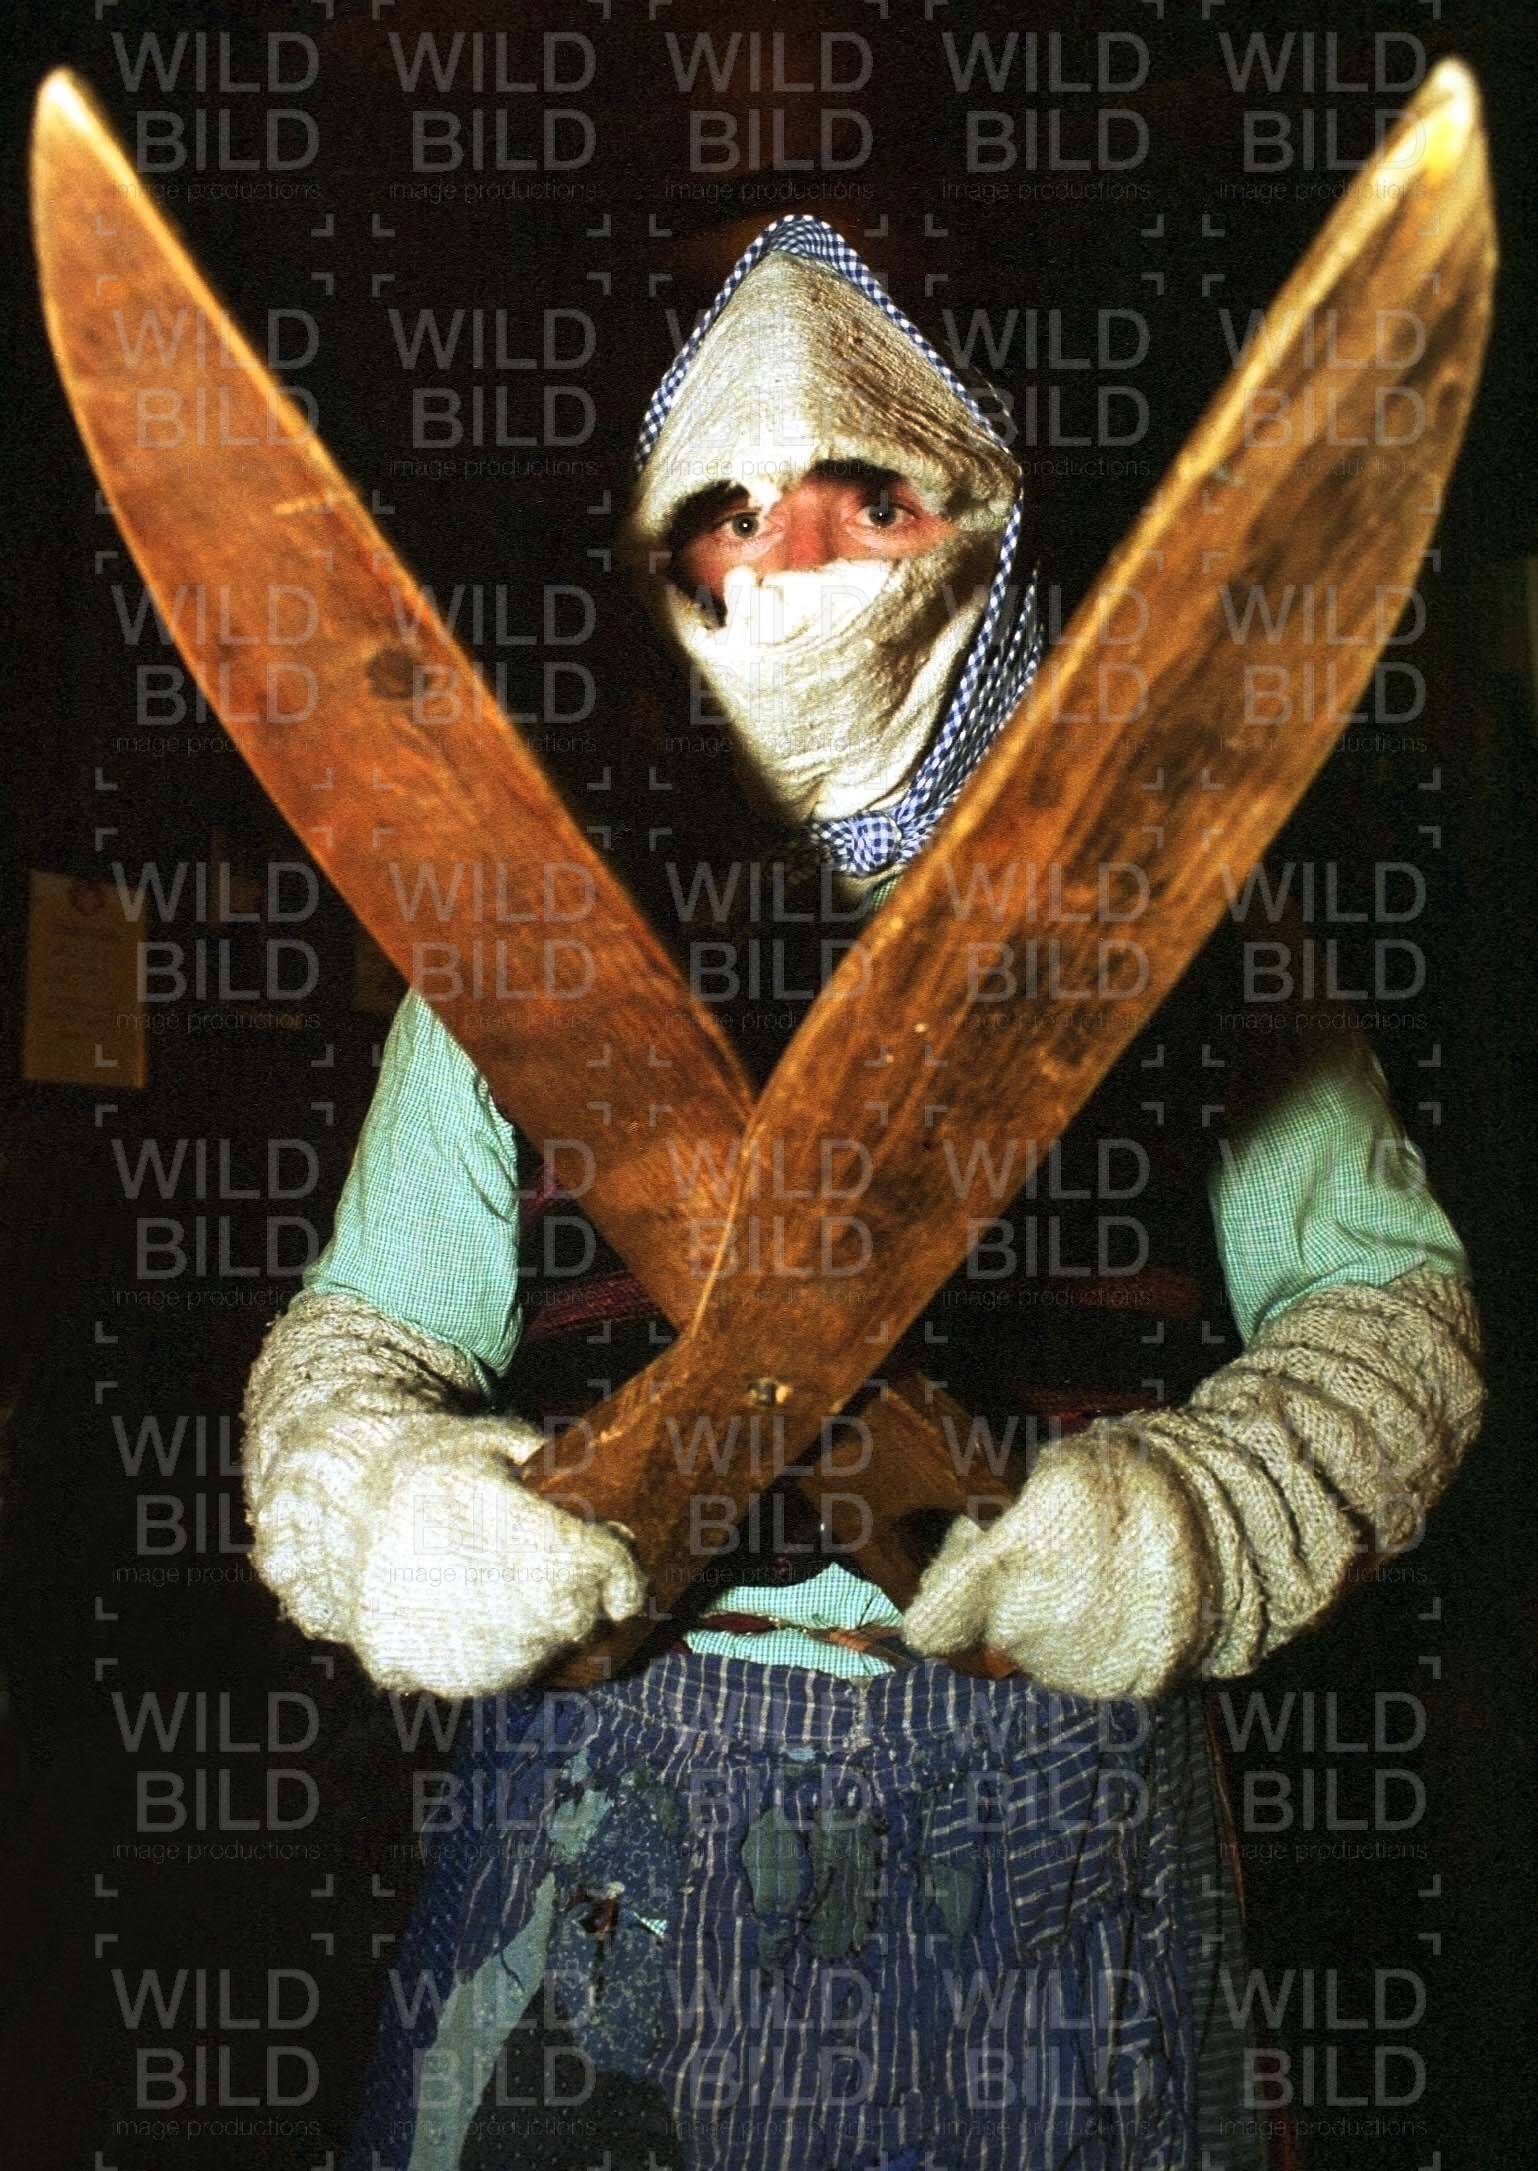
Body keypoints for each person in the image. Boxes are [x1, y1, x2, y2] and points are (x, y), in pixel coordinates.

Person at [242, 218, 1484, 2170]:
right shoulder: (510, 947)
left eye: (869, 496)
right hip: (606, 1814)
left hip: (1057, 1804)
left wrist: (1180, 1529)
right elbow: (363, 1328)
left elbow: (1388, 1315)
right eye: (727, 511)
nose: (798, 557)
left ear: (981, 525)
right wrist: (390, 1513)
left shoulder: (1197, 929)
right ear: (656, 569)